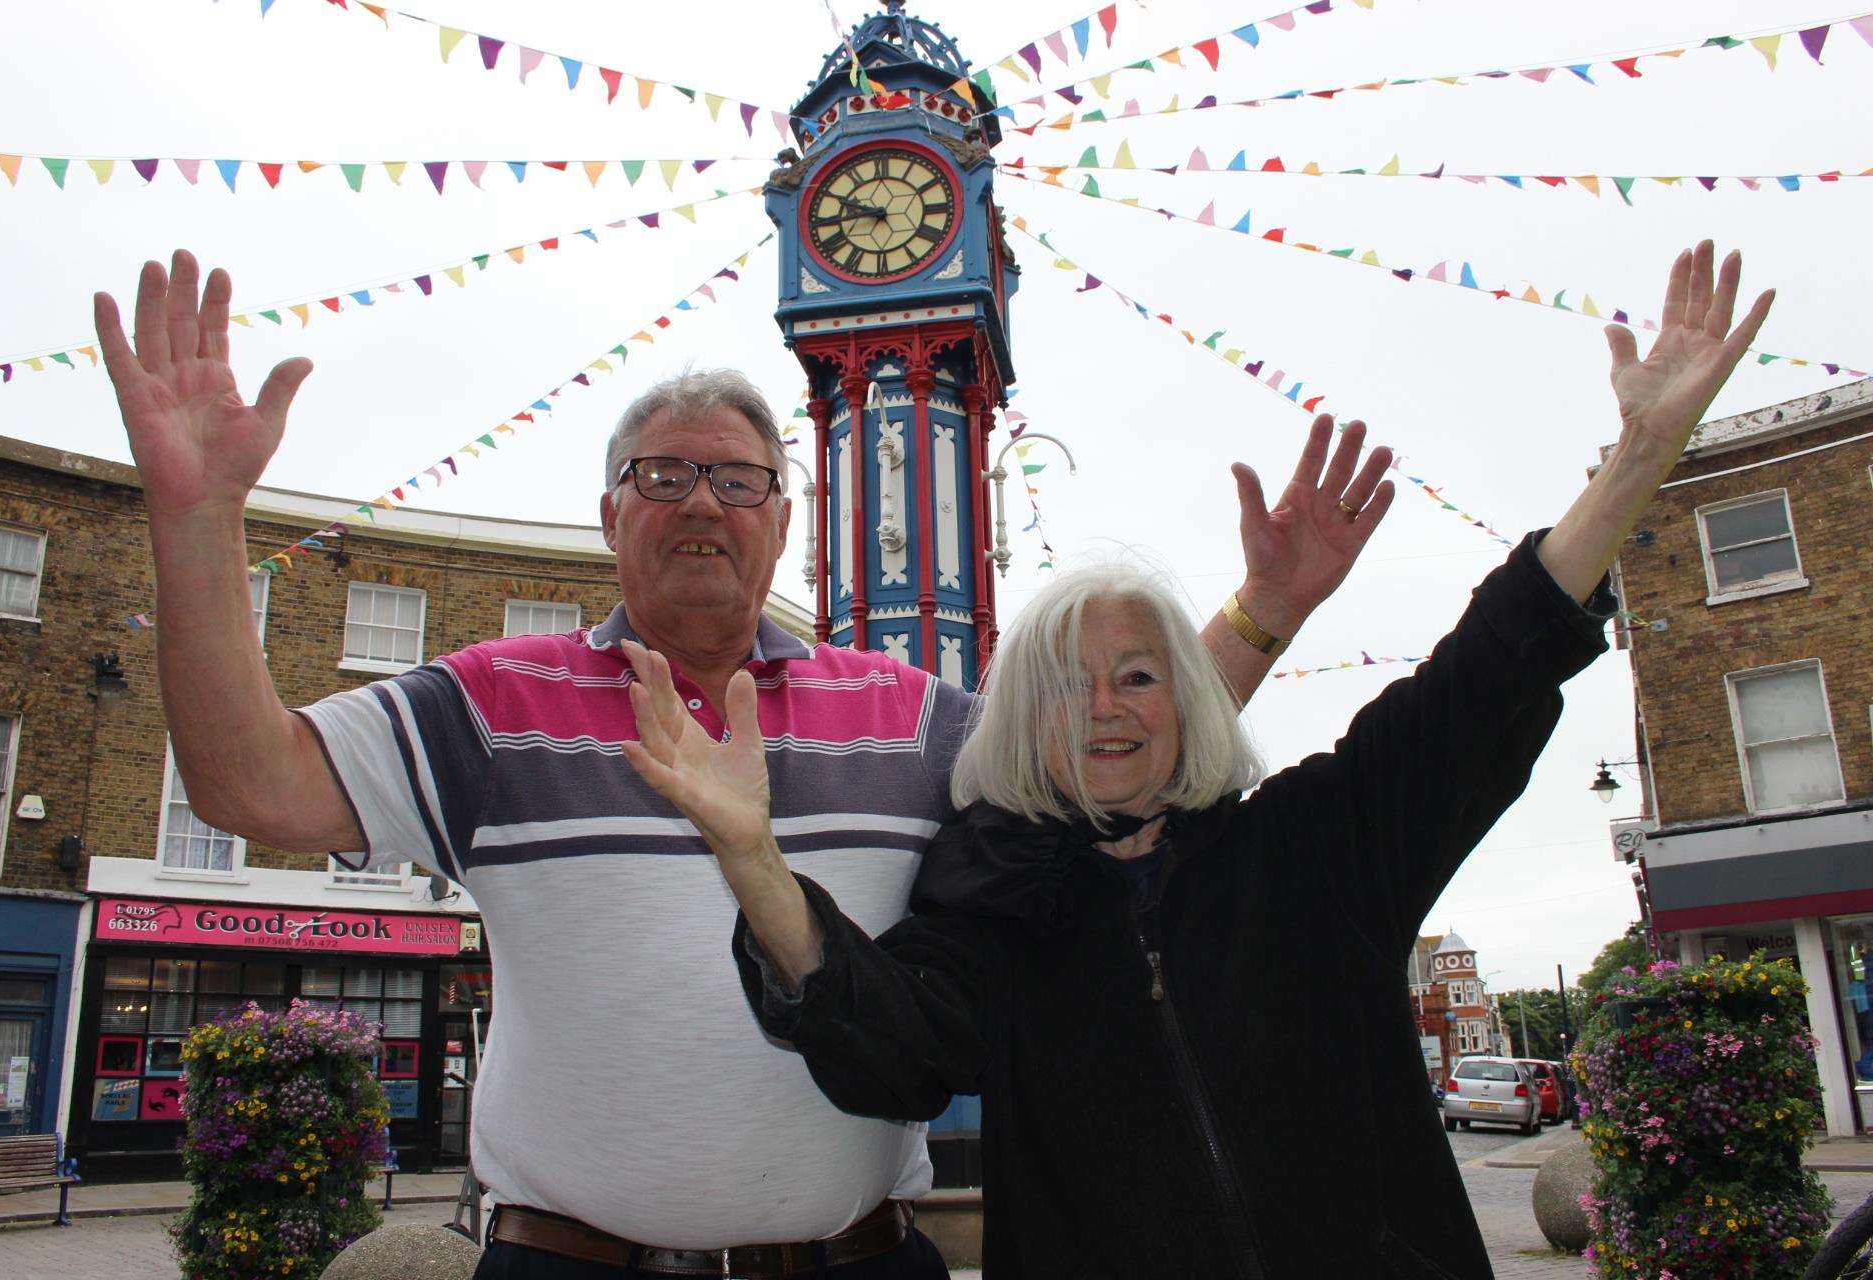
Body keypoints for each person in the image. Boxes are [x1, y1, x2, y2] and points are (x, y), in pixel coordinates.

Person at [90, 250, 1394, 1278]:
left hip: (858, 1265)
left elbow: (1105, 754)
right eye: (663, 475)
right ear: (611, 516)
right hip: (569, 1267)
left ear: (784, 518)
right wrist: (198, 518)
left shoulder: (914, 716)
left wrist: (1262, 617)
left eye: (737, 479)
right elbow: (248, 788)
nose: (702, 502)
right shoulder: (487, 705)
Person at [617, 243, 1775, 1276]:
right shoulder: (1000, 909)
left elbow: (1484, 679)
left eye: (1138, 674)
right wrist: (752, 856)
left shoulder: (1318, 846)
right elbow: (890, 1052)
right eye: (1068, 681)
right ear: (1027, 723)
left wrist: (1640, 456)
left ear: (1187, 697)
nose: (1107, 709)